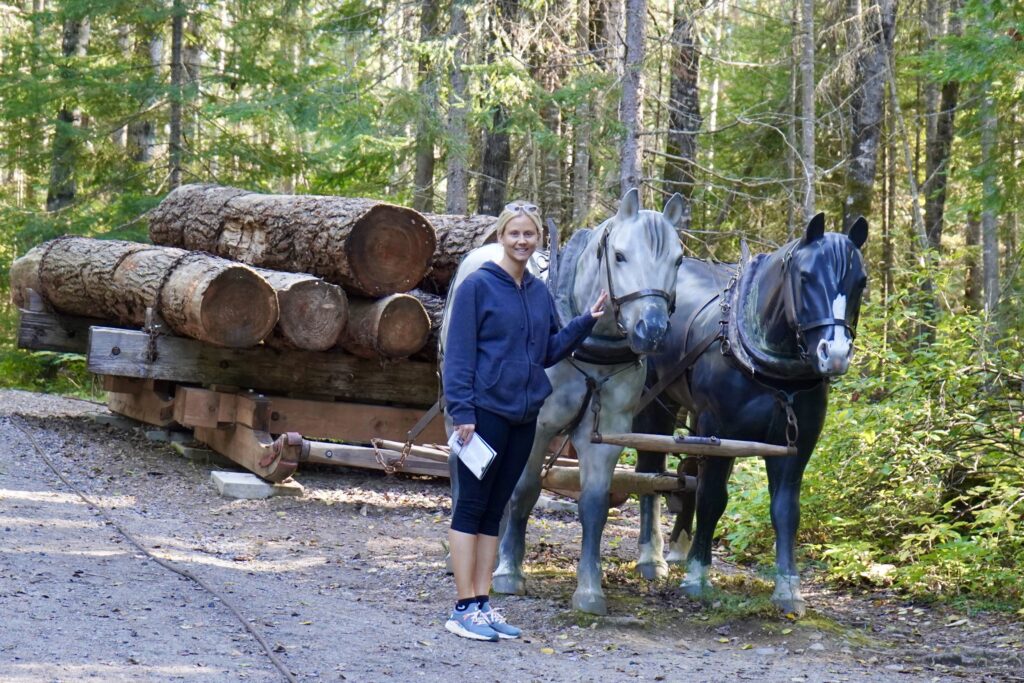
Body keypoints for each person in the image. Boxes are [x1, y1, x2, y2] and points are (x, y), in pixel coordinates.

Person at [442, 201, 608, 641]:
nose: (521, 241)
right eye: (514, 233)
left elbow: (549, 351)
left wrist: (584, 323)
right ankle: (462, 608)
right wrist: (462, 412)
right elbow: (458, 354)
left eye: (529, 235)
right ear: (501, 236)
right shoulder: (478, 287)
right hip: (482, 416)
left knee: (497, 509)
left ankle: (482, 603)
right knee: (471, 508)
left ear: (538, 240)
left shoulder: (537, 292)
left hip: (523, 417)